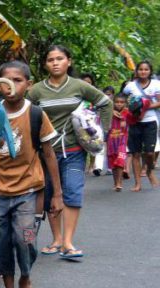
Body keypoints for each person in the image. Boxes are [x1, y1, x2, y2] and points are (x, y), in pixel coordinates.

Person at [0, 61, 63, 288]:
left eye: (18, 80)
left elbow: (49, 154)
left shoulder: (35, 114)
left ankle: (26, 277)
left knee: (26, 239)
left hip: (29, 192)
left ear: (28, 84)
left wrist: (57, 194)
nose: (11, 86)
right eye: (6, 81)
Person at [27, 44, 112, 259]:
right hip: (45, 152)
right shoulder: (36, 90)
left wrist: (101, 132)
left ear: (69, 61)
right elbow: (23, 113)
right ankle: (56, 239)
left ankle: (67, 242)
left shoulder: (79, 86)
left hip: (74, 150)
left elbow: (105, 103)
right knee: (50, 195)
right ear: (45, 64)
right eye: (51, 60)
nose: (55, 63)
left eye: (60, 59)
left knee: (73, 192)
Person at [122, 60, 160, 191]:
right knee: (136, 153)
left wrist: (144, 106)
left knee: (149, 153)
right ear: (136, 71)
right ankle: (137, 183)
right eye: (141, 69)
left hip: (150, 121)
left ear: (150, 71)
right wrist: (125, 110)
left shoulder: (156, 84)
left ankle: (149, 171)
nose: (143, 72)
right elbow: (122, 100)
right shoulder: (130, 86)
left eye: (146, 69)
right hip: (135, 122)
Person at [108, 94, 130, 191]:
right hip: (111, 140)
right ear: (113, 103)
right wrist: (111, 112)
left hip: (122, 140)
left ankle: (119, 183)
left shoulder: (127, 113)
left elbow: (135, 119)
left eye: (122, 102)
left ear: (125, 103)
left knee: (120, 159)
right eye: (117, 102)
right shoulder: (109, 112)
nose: (119, 104)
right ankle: (115, 182)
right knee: (113, 161)